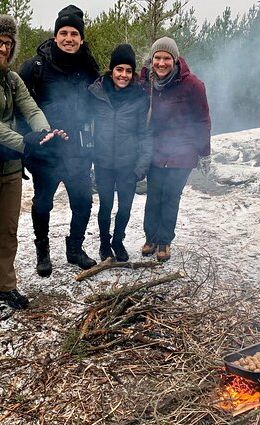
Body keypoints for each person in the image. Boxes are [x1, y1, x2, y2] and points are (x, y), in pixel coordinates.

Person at [0, 14, 67, 316]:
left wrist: (44, 134)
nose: (4, 49)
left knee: (8, 232)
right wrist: (24, 143)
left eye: (8, 43)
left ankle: (6, 286)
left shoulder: (11, 79)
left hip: (10, 169)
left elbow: (30, 108)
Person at [19, 4, 100, 276]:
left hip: (77, 150)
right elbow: (17, 106)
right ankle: (42, 252)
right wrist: (25, 143)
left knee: (83, 202)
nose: (69, 38)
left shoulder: (88, 67)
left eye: (74, 34)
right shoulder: (35, 67)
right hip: (45, 151)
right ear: (55, 36)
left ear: (81, 38)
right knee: (43, 204)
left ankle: (75, 249)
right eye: (63, 32)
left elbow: (99, 104)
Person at [140, 37, 211, 262]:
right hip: (155, 151)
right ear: (152, 60)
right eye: (157, 58)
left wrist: (204, 153)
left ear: (175, 59)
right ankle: (150, 237)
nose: (161, 63)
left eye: (166, 58)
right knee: (153, 196)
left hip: (182, 152)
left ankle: (164, 241)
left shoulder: (192, 85)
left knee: (170, 196)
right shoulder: (147, 83)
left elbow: (203, 120)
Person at [88, 44, 152, 262]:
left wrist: (142, 164)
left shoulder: (139, 98)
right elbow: (86, 125)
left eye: (127, 71)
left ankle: (118, 240)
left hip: (128, 163)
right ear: (111, 70)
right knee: (105, 205)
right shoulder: (96, 93)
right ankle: (105, 244)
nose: (123, 75)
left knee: (125, 207)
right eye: (119, 70)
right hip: (103, 162)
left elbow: (145, 133)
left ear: (132, 73)